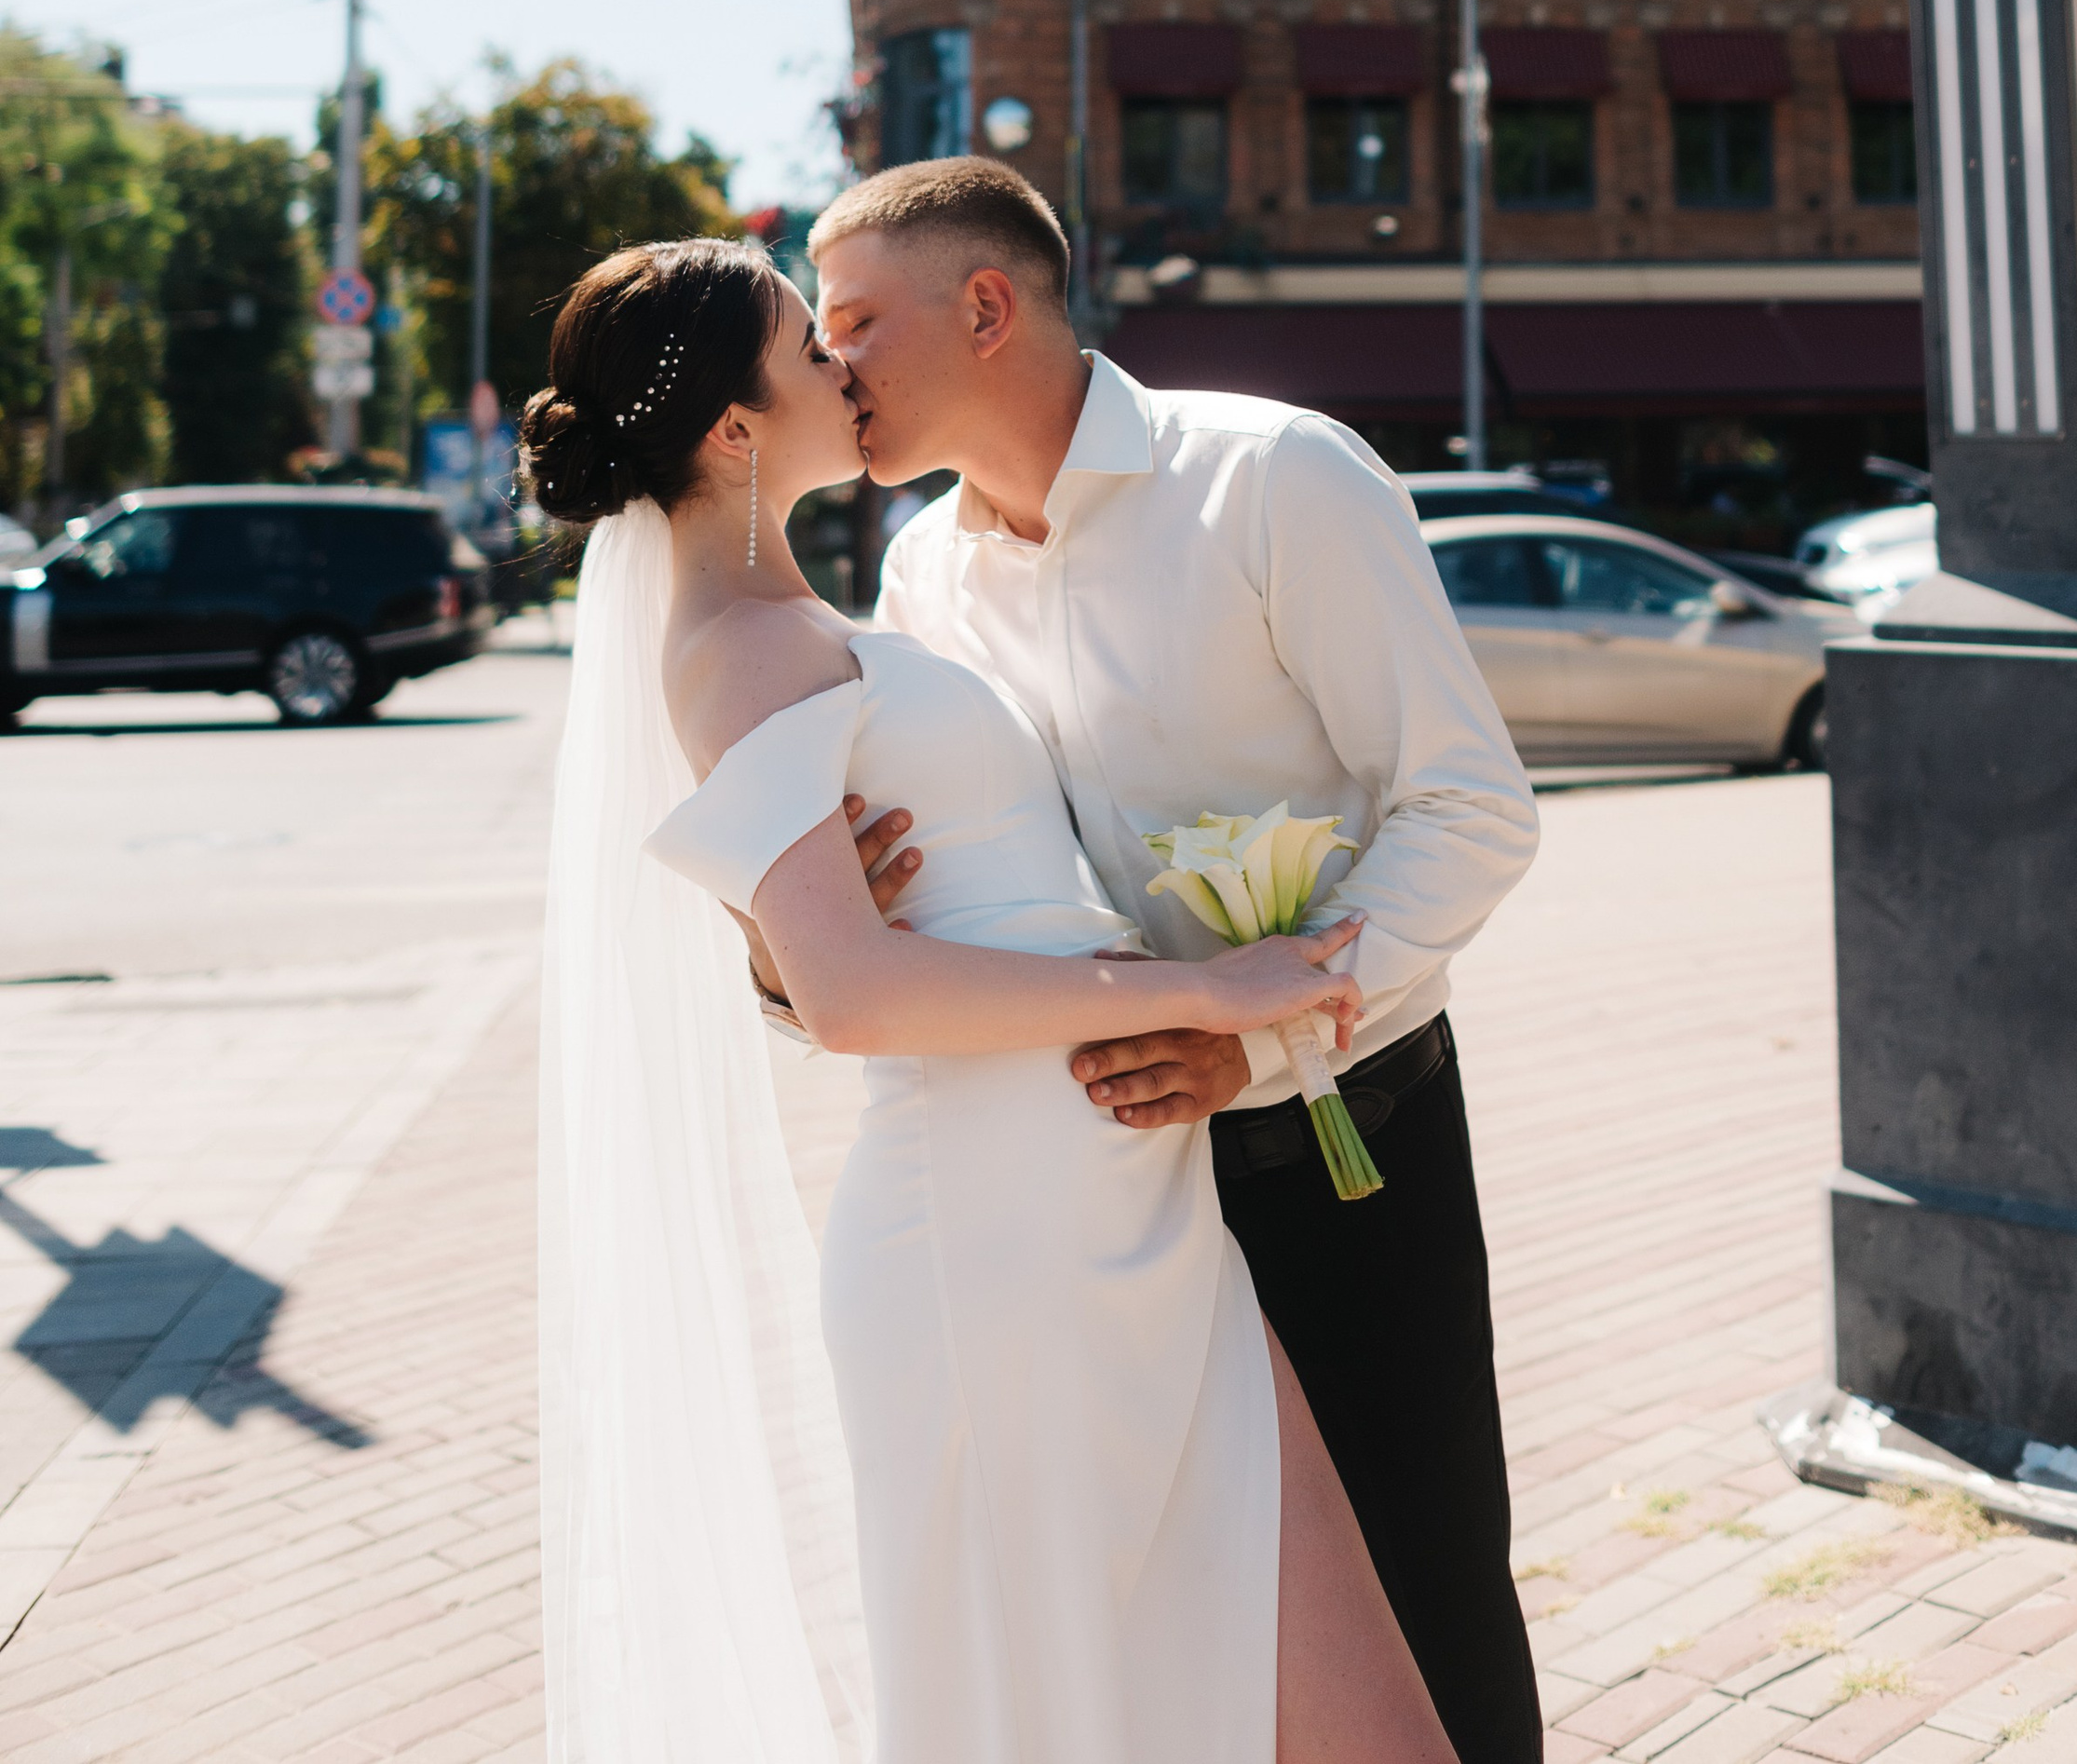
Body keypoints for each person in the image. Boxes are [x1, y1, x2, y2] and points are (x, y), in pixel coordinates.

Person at [526, 232, 1459, 1764]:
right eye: (808, 343)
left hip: (1124, 1198)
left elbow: (852, 933)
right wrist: (1204, 986)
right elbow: (849, 993)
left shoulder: (837, 613)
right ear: (738, 428)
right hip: (996, 1234)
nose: (841, 363)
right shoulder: (744, 648)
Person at [811, 156, 1544, 1764]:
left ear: (986, 306)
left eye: (853, 318)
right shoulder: (921, 573)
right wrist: (823, 918)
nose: (824, 356)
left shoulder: (1278, 479)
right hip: (1101, 1195)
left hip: (1348, 1145)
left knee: (1422, 1599)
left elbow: (1474, 810)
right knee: (1194, 1629)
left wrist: (1256, 1038)